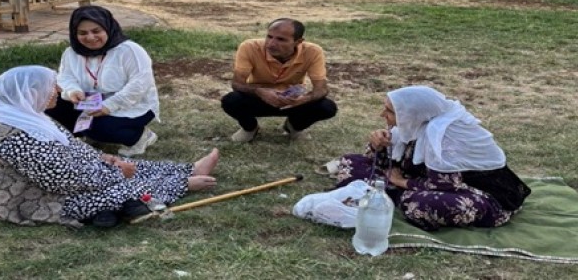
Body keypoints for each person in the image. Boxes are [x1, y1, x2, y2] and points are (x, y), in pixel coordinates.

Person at [0, 65, 219, 228]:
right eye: (51, 88)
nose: (56, 91)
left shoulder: (14, 113)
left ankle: (188, 169)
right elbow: (64, 181)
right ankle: (183, 183)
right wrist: (116, 171)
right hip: (27, 200)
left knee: (122, 165)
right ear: (30, 93)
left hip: (46, 181)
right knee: (120, 188)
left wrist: (105, 159)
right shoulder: (13, 135)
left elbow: (69, 146)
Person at [332, 85, 531, 231]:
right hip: (420, 182)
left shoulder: (444, 136)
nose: (382, 114)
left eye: (390, 111)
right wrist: (378, 145)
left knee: (418, 205)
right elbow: (380, 161)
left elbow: (445, 185)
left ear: (411, 114)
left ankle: (386, 196)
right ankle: (386, 196)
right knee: (351, 163)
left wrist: (400, 182)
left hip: (479, 194)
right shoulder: (415, 124)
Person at [45, 5, 160, 157]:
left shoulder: (129, 50)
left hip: (131, 104)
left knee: (98, 129)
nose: (90, 37)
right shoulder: (71, 52)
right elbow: (65, 77)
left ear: (108, 27)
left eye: (96, 31)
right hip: (90, 101)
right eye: (82, 33)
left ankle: (140, 136)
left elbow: (139, 85)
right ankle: (83, 133)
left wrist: (109, 106)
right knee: (48, 100)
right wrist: (73, 90)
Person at [221, 18, 337, 143]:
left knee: (327, 107)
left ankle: (294, 126)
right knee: (231, 101)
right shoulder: (249, 47)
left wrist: (304, 99)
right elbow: (237, 84)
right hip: (259, 98)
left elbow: (321, 89)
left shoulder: (313, 51)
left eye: (281, 39)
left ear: (298, 42)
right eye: (269, 37)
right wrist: (260, 92)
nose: (271, 44)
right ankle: (250, 128)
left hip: (291, 101)